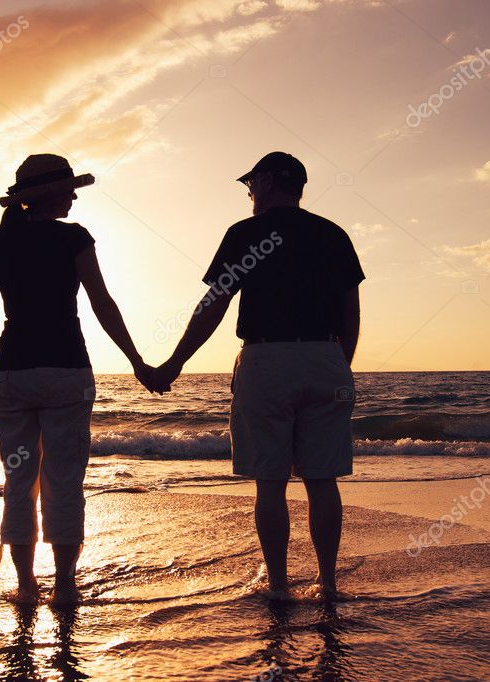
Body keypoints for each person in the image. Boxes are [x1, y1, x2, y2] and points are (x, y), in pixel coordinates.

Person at [150, 152, 364, 600]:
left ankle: (280, 587)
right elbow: (350, 311)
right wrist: (341, 365)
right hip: (326, 355)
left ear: (267, 182)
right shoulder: (333, 234)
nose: (249, 193)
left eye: (251, 185)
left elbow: (215, 304)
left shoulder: (246, 234)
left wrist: (176, 362)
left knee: (270, 482)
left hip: (267, 359)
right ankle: (327, 583)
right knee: (322, 480)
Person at [0, 153, 153, 605]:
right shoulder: (73, 238)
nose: (74, 195)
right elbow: (101, 302)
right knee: (64, 479)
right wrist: (135, 358)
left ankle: (26, 585)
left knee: (18, 481)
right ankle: (66, 586)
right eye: (69, 188)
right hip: (66, 371)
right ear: (49, 194)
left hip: (12, 371)